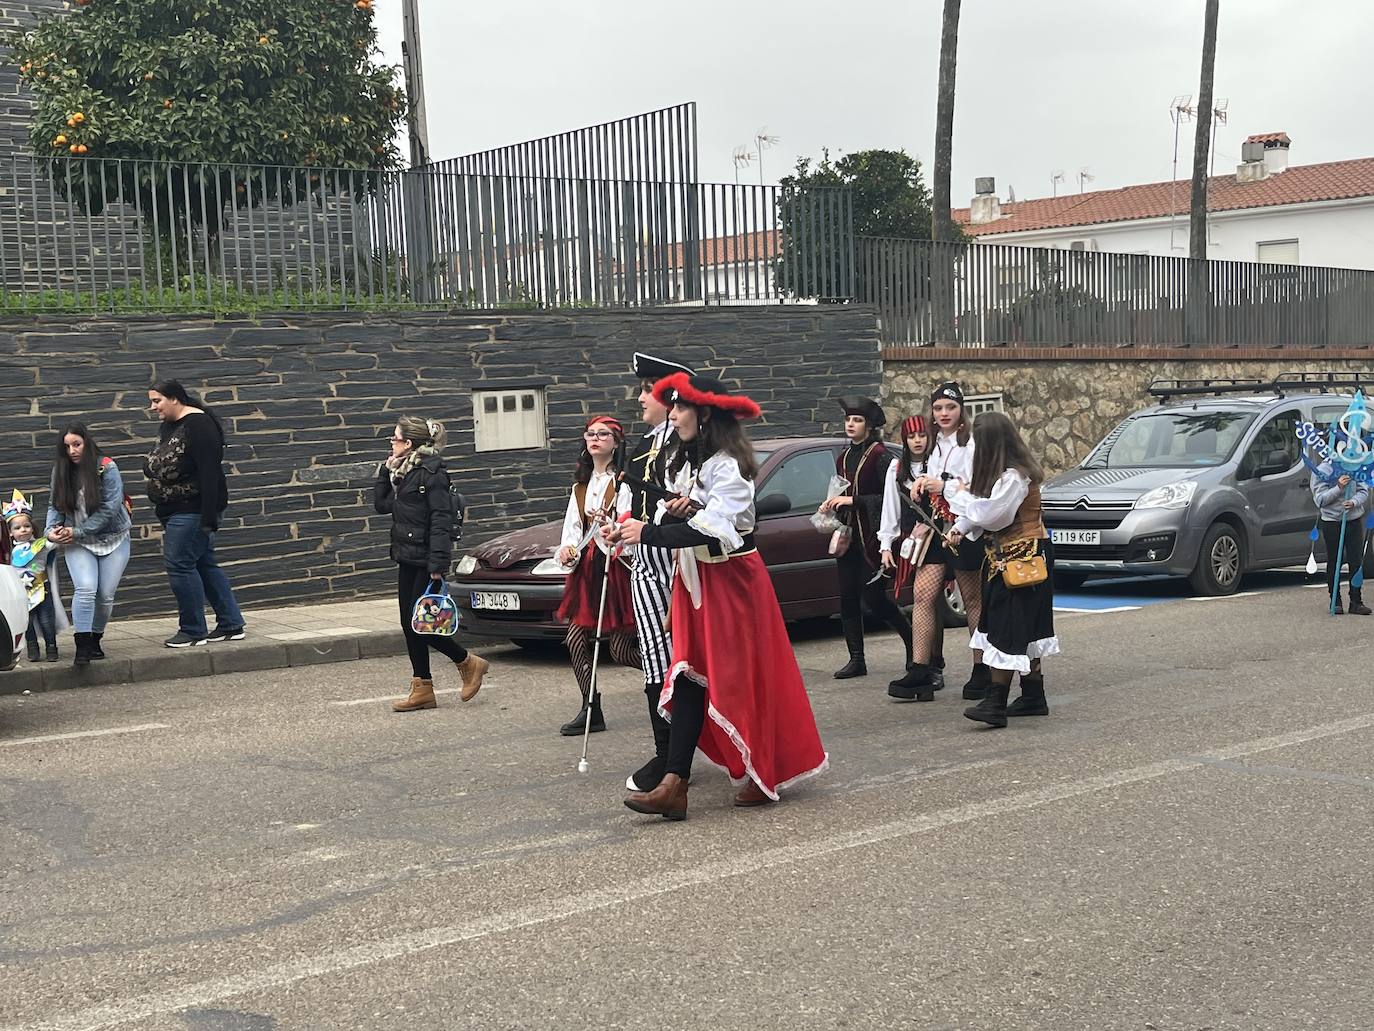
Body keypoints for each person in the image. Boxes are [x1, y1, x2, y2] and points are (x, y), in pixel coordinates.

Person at [614, 372, 828, 821]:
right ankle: (675, 784)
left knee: (739, 679)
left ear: (704, 413)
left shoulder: (728, 464)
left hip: (733, 585)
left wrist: (649, 531)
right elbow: (699, 521)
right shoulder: (695, 464)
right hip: (699, 583)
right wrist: (669, 516)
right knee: (689, 675)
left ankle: (758, 770)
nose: (672, 416)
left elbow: (719, 534)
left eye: (679, 408)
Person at [946, 412, 1059, 728]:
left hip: (1023, 559)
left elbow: (994, 515)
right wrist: (959, 527)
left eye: (978, 443)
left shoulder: (1013, 478)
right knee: (1021, 624)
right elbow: (985, 509)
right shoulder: (1004, 476)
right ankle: (1033, 696)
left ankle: (995, 702)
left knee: (1008, 626)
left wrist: (954, 494)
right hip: (1010, 558)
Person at [375, 416, 489, 712]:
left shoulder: (432, 472)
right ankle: (422, 689)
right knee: (408, 623)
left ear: (409, 443)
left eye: (395, 438)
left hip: (426, 559)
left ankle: (467, 662)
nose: (392, 442)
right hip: (406, 555)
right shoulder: (402, 472)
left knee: (420, 625)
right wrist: (384, 471)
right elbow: (382, 505)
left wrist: (438, 564)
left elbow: (441, 519)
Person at [623, 351, 695, 791]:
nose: (640, 398)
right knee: (655, 656)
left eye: (647, 390)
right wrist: (618, 528)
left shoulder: (686, 443)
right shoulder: (647, 443)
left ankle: (674, 757)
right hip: (644, 558)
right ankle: (668, 752)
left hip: (674, 559)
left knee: (679, 657)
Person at [144, 380, 246, 648]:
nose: (153, 407)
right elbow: (156, 461)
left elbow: (210, 474)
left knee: (179, 565)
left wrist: (209, 518)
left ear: (175, 398)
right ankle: (231, 624)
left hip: (194, 510)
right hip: (174, 509)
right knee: (203, 563)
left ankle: (193, 630)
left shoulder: (199, 426)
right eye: (152, 401)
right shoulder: (170, 426)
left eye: (157, 401)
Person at [554, 415, 639, 737]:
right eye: (591, 433)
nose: (596, 438)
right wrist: (566, 550)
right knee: (575, 637)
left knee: (620, 650)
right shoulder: (580, 487)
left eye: (603, 434)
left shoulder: (626, 483)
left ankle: (675, 680)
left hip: (617, 567)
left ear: (616, 443)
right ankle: (591, 706)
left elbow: (630, 526)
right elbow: (571, 531)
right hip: (588, 570)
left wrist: (612, 527)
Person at [818, 397, 913, 680]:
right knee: (847, 597)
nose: (851, 424)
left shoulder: (882, 456)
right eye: (848, 420)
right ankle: (856, 659)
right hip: (849, 535)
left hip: (873, 537)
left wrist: (854, 500)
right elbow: (841, 490)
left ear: (869, 426)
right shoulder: (843, 458)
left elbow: (892, 499)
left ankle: (914, 646)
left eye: (857, 420)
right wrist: (832, 504)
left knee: (874, 599)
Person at [924, 382, 992, 701]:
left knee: (972, 599)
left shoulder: (971, 443)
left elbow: (976, 487)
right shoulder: (933, 443)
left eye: (950, 408)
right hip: (938, 525)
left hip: (966, 527)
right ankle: (927, 665)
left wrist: (944, 485)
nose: (944, 414)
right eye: (938, 408)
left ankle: (982, 666)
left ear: (961, 409)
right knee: (928, 596)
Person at [44, 424, 133, 666]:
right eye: (67, 447)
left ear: (86, 442)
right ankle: (82, 648)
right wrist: (51, 532)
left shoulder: (106, 467)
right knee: (85, 589)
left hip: (113, 537)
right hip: (77, 540)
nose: (72, 451)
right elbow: (55, 506)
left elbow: (110, 508)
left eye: (77, 444)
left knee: (104, 595)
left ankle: (95, 639)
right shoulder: (60, 471)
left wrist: (78, 531)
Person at [879, 414, 950, 702]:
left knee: (928, 599)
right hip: (913, 541)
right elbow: (890, 508)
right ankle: (925, 666)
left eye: (922, 435)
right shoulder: (896, 468)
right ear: (905, 440)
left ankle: (934, 666)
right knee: (924, 600)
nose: (917, 440)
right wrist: (886, 545)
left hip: (942, 538)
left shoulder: (940, 464)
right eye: (912, 436)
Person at [4, 490, 62, 662]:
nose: (23, 530)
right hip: (21, 593)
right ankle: (32, 649)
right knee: (26, 624)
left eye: (26, 526)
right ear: (9, 532)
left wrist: (55, 535)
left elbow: (52, 543)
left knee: (46, 621)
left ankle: (52, 648)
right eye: (18, 527)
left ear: (32, 527)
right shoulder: (8, 551)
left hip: (42, 589)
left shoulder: (40, 545)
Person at [1310, 463, 1371, 615]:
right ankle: (1335, 600)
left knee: (1356, 561)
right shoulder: (1322, 470)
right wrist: (1338, 488)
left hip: (1354, 520)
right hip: (1332, 522)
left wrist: (1354, 502)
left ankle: (1356, 601)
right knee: (1334, 560)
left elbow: (1363, 490)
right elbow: (1320, 500)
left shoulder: (1356, 465)